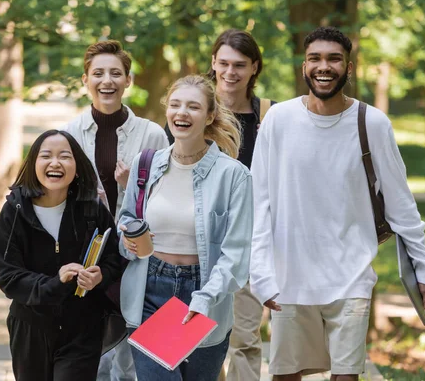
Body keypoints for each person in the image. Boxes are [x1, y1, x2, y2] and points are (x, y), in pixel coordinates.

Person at [249, 26, 425, 381]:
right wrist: (261, 272)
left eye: (334, 59)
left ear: (348, 68)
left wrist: (422, 267)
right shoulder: (279, 120)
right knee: (284, 375)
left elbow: (401, 204)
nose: (324, 66)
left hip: (351, 277)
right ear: (304, 67)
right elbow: (260, 201)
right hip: (290, 276)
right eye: (315, 58)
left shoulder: (373, 124)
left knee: (347, 376)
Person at [119, 74, 253, 381]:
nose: (182, 113)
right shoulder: (146, 163)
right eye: (176, 104)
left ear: (209, 116)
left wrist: (205, 298)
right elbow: (126, 219)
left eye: (193, 107)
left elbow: (237, 256)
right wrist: (128, 239)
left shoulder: (234, 176)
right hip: (149, 291)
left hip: (206, 296)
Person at [166, 29, 274, 380]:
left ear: (254, 68)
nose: (231, 72)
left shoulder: (269, 116)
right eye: (224, 63)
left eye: (240, 65)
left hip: (249, 242)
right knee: (192, 339)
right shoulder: (189, 111)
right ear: (213, 63)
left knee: (244, 337)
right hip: (194, 245)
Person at [62, 39, 168, 381]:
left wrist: (128, 186)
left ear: (128, 81)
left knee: (133, 352)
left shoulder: (152, 134)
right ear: (85, 80)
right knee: (93, 353)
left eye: (115, 73)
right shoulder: (68, 134)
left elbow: (166, 197)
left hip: (136, 255)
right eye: (98, 73)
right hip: (89, 256)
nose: (106, 81)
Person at [0, 129, 122, 381]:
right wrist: (56, 282)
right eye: (46, 156)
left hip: (83, 326)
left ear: (77, 165)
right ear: (33, 164)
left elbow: (114, 258)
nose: (55, 163)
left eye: (65, 156)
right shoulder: (14, 211)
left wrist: (100, 276)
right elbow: (9, 277)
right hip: (31, 326)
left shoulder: (91, 209)